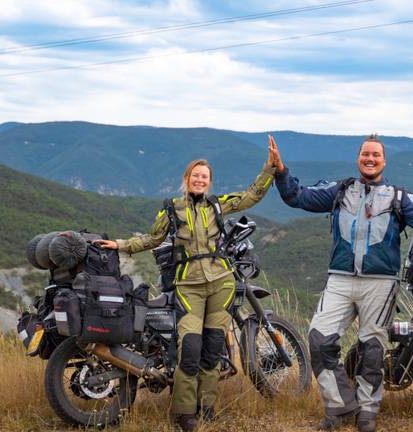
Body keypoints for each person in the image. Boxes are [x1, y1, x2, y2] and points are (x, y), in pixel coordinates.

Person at [269, 134, 413, 432]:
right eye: (366, 154)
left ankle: (368, 411)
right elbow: (298, 196)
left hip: (380, 284)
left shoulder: (397, 197)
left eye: (376, 155)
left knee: (372, 348)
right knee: (319, 339)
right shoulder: (341, 190)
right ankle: (341, 406)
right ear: (358, 158)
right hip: (340, 279)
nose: (370, 159)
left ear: (384, 161)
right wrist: (280, 171)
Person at [96, 147, 279, 432]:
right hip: (189, 286)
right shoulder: (171, 208)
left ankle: (207, 408)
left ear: (209, 181)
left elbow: (250, 196)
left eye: (204, 177)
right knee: (190, 348)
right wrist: (119, 245)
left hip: (221, 283)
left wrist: (270, 170)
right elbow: (152, 239)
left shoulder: (217, 205)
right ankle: (183, 412)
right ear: (187, 178)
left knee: (213, 346)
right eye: (196, 176)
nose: (200, 180)